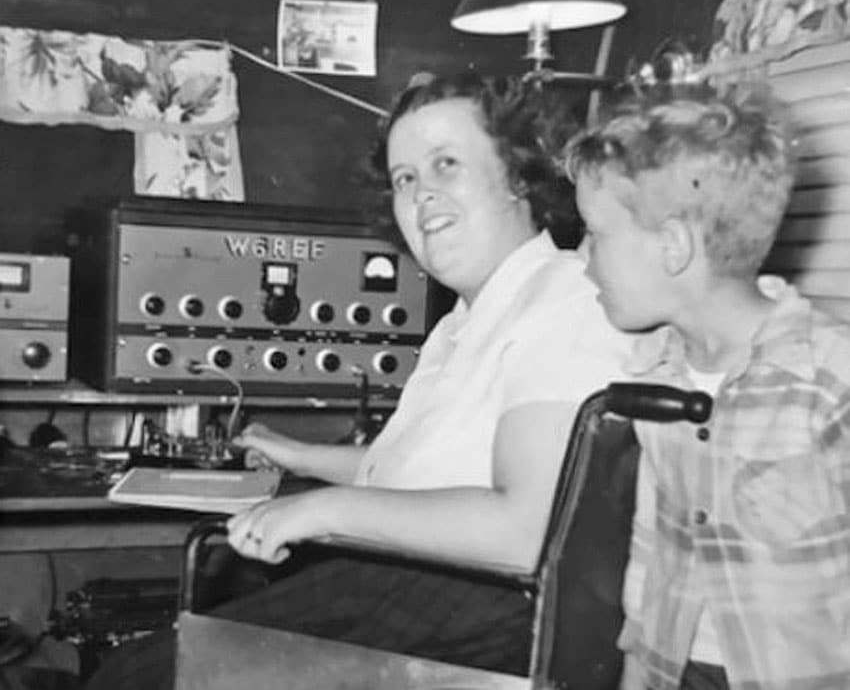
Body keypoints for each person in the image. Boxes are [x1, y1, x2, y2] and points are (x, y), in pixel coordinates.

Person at [86, 71, 632, 690]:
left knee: (138, 678)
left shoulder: (563, 298)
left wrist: (324, 508)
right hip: (415, 583)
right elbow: (425, 473)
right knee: (147, 664)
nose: (423, 196)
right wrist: (305, 457)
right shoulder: (464, 321)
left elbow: (528, 530)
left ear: (517, 175)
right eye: (406, 180)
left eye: (446, 164)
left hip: (478, 608)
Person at [564, 83, 850, 690]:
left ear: (673, 247)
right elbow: (653, 555)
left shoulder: (829, 382)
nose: (583, 258)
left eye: (596, 233)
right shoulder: (655, 376)